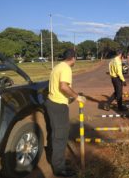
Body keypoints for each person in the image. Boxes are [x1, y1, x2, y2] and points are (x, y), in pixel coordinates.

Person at [45, 49, 85, 177]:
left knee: (55, 134)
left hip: (52, 102)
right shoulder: (66, 68)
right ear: (73, 58)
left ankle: (57, 161)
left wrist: (71, 97)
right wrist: (77, 96)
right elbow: (63, 86)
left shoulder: (57, 66)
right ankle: (59, 169)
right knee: (60, 136)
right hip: (58, 106)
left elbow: (59, 88)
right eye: (75, 58)